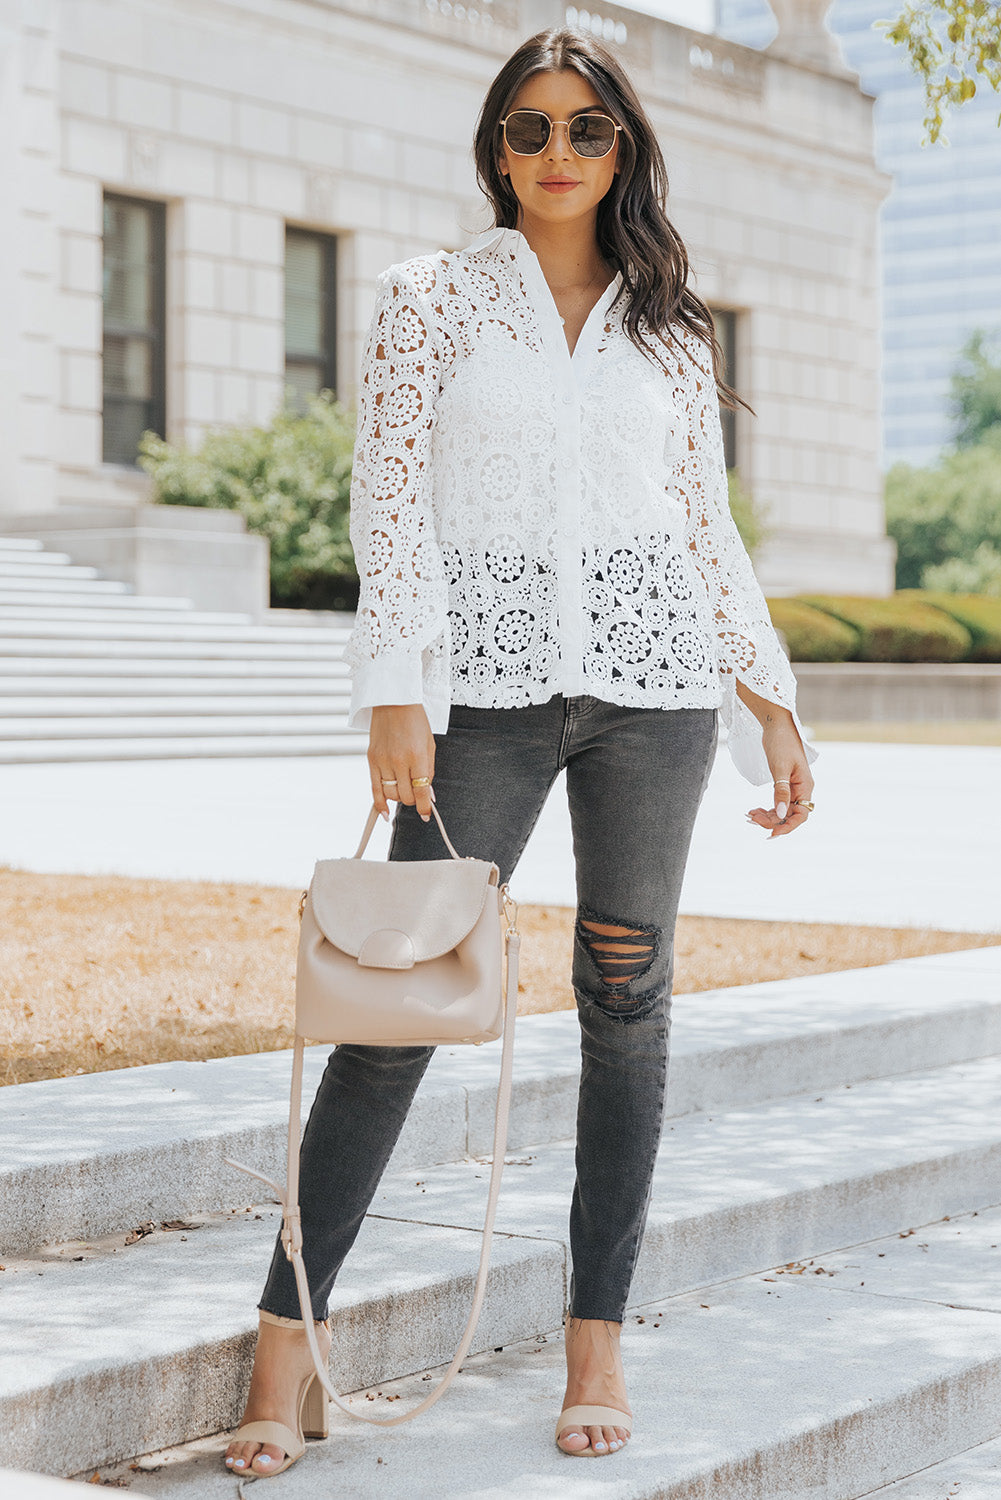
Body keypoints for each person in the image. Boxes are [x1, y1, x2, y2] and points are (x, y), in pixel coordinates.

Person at [224, 23, 817, 1479]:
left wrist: (767, 689)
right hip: (477, 697)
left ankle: (592, 1341)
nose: (556, 154)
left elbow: (701, 527)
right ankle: (281, 1355)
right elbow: (390, 503)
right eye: (529, 128)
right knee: (390, 1011)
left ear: (623, 146)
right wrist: (394, 688)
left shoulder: (671, 323)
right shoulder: (433, 297)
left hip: (652, 691)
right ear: (495, 149)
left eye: (586, 129)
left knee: (625, 999)